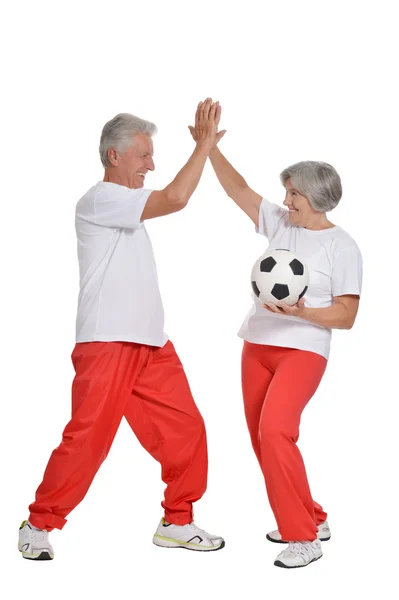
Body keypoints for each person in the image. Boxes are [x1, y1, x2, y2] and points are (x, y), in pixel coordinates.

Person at [18, 99, 225, 560]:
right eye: (144, 155)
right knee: (89, 439)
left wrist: (205, 149)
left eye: (151, 156)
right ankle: (38, 523)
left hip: (152, 344)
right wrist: (205, 146)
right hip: (107, 342)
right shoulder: (101, 198)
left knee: (188, 430)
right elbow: (175, 198)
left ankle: (178, 522)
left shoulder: (126, 204)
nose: (152, 164)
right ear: (115, 156)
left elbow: (166, 197)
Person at [192, 106, 362, 568]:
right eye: (286, 194)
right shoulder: (282, 225)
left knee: (276, 430)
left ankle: (303, 538)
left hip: (303, 350)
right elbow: (239, 191)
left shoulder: (342, 246)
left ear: (317, 198)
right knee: (263, 440)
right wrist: (210, 147)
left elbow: (347, 315)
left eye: (293, 195)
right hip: (258, 344)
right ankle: (312, 515)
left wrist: (302, 311)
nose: (286, 202)